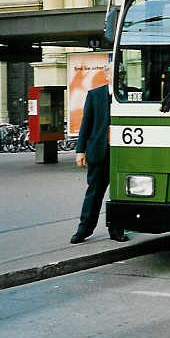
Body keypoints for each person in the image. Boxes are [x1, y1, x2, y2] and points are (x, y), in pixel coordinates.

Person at [71, 71, 128, 244]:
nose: (118, 76)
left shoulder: (133, 94)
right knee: (94, 192)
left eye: (121, 73)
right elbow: (86, 123)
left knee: (120, 194)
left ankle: (117, 230)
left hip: (123, 152)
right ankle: (84, 229)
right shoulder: (94, 94)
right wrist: (80, 150)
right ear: (107, 75)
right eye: (114, 72)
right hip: (100, 151)